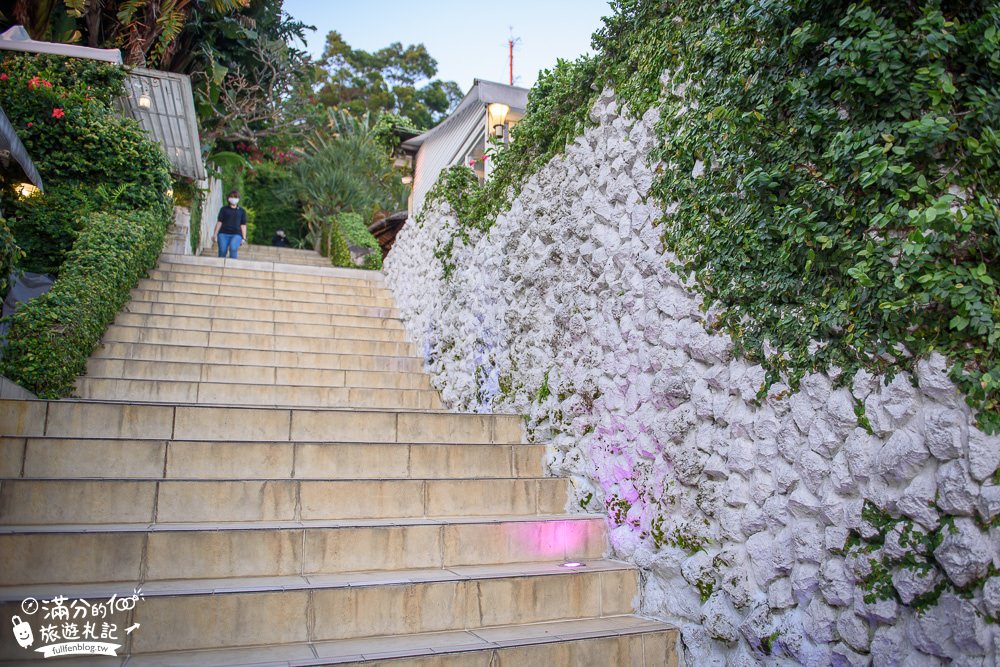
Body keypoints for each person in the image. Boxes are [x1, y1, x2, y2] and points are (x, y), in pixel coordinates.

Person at [214, 190, 247, 259]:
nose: (233, 199)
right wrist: (215, 234)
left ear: (238, 199)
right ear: (228, 198)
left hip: (236, 234)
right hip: (223, 234)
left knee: (233, 248)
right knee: (222, 251)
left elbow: (243, 225)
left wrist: (244, 237)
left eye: (235, 197)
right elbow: (219, 222)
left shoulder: (242, 211)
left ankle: (232, 265)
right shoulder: (224, 209)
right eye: (232, 197)